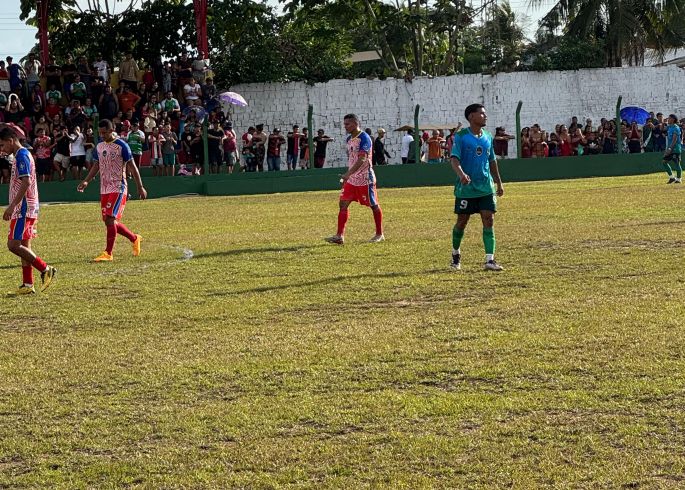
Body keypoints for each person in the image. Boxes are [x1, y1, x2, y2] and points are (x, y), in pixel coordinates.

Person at [76, 119, 147, 262]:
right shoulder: (100, 146)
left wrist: (140, 187)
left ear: (111, 130)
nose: (102, 135)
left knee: (110, 219)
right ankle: (134, 238)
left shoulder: (122, 145)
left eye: (104, 133)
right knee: (108, 221)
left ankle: (108, 253)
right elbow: (97, 165)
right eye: (100, 133)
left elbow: (132, 166)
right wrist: (86, 180)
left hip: (118, 187)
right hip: (104, 188)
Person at [0, 125, 56, 295]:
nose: (2, 149)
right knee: (24, 245)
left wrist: (12, 206)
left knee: (13, 245)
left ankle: (45, 268)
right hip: (27, 206)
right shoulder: (21, 155)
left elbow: (26, 182)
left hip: (23, 207)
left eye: (2, 145)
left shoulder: (22, 156)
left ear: (11, 141)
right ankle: (27, 284)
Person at [449, 103, 504, 271]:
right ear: (471, 116)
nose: (485, 116)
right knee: (462, 222)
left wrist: (499, 182)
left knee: (489, 219)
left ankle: (490, 260)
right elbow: (454, 159)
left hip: (486, 187)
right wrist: (461, 175)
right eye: (482, 113)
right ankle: (456, 254)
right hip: (466, 189)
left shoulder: (488, 136)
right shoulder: (461, 137)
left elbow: (492, 161)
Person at [324, 113, 383, 245]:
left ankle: (379, 234)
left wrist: (348, 174)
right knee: (343, 204)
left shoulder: (364, 138)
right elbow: (352, 158)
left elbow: (362, 159)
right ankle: (339, 236)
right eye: (344, 124)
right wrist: (348, 176)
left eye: (348, 124)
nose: (345, 126)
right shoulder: (349, 139)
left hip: (365, 178)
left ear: (355, 124)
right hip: (351, 179)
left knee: (373, 205)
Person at [663, 113, 682, 184]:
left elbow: (674, 140)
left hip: (675, 149)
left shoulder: (676, 128)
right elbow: (662, 129)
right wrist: (663, 123)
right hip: (670, 148)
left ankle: (679, 179)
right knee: (664, 162)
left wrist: (670, 149)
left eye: (669, 118)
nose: (668, 119)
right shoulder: (669, 127)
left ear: (673, 119)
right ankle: (672, 178)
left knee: (677, 163)